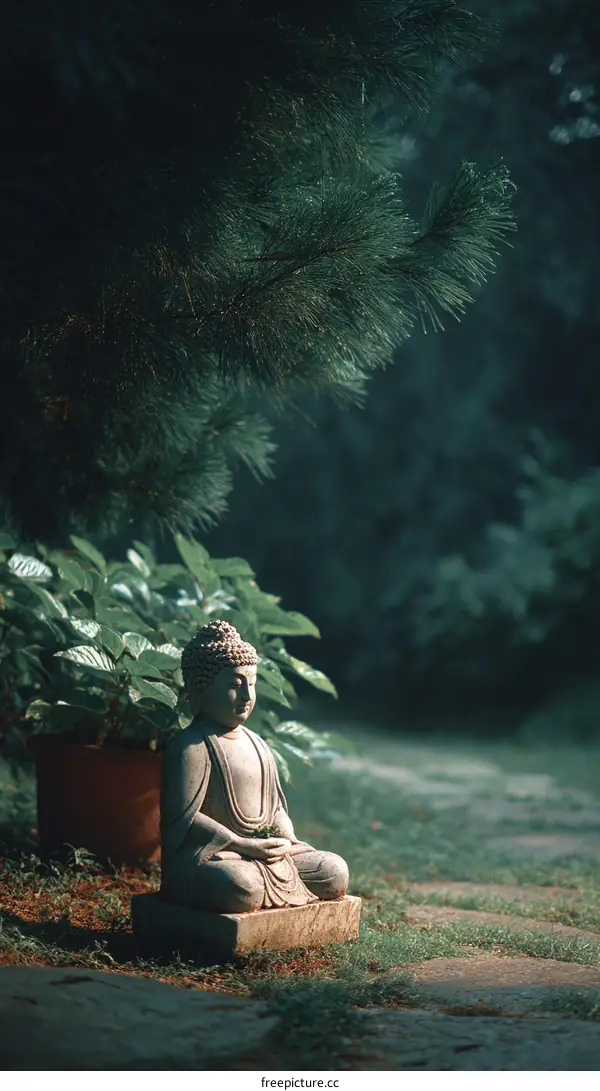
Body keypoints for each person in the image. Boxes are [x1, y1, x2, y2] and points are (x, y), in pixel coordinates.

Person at [160, 620, 349, 913]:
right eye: (235, 685)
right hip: (218, 856)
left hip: (264, 856)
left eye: (252, 683)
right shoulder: (191, 746)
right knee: (239, 886)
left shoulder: (259, 745)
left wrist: (283, 837)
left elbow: (274, 808)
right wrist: (239, 844)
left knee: (334, 870)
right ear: (202, 687)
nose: (247, 696)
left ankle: (263, 877)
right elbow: (183, 819)